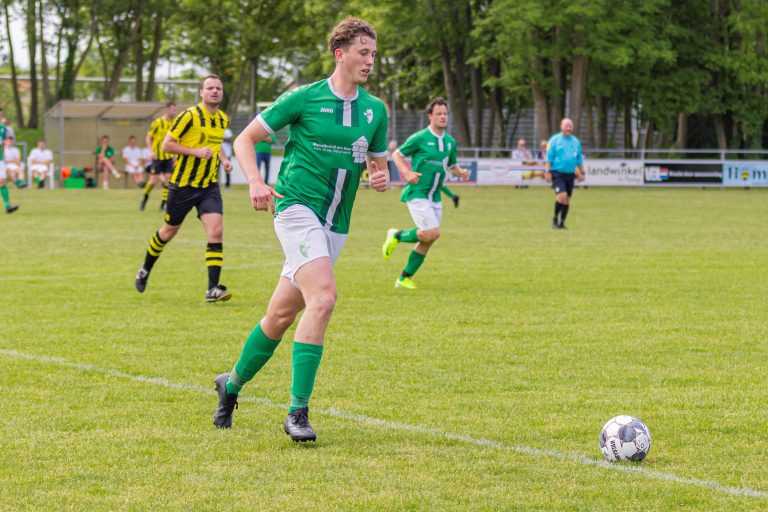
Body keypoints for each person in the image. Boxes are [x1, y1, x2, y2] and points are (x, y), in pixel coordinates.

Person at [212, 16, 389, 442]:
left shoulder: (375, 110)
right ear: (340, 54)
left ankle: (230, 384)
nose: (369, 61)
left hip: (336, 224)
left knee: (281, 314)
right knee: (324, 298)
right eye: (363, 53)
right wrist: (255, 181)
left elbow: (377, 166)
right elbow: (243, 139)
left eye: (373, 54)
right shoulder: (304, 98)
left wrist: (380, 178)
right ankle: (298, 412)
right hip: (294, 208)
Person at [134, 75, 233, 301]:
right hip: (183, 186)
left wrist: (224, 159)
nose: (215, 91)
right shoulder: (188, 116)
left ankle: (212, 289)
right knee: (169, 231)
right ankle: (145, 269)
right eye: (210, 88)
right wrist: (195, 152)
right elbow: (166, 144)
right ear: (201, 92)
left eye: (218, 88)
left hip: (209, 186)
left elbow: (216, 145)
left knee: (216, 231)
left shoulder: (222, 119)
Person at [381, 97, 469, 290]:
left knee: (429, 237)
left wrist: (460, 171)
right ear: (430, 116)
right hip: (417, 193)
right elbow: (396, 155)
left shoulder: (449, 142)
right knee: (431, 232)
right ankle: (397, 235)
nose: (443, 117)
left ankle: (404, 278)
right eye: (438, 114)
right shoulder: (420, 137)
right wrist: (406, 172)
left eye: (445, 113)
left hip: (435, 196)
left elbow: (451, 166)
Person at [545, 118, 585, 229]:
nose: (568, 128)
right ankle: (555, 218)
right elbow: (549, 158)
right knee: (562, 195)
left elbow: (579, 159)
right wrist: (547, 171)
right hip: (557, 173)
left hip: (570, 174)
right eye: (566, 126)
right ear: (561, 127)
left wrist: (582, 171)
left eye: (570, 126)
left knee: (567, 199)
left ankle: (562, 223)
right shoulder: (554, 140)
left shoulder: (576, 142)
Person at [142, 102, 177, 211]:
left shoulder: (173, 123)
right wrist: (151, 151)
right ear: (166, 110)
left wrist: (175, 154)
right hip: (157, 157)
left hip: (168, 157)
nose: (174, 112)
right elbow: (148, 138)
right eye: (173, 110)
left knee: (168, 180)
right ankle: (144, 199)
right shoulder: (157, 122)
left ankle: (163, 205)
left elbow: (175, 139)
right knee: (153, 182)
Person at [0, 119, 19, 213]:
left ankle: (8, 206)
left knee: (2, 181)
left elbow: (3, 144)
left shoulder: (3, 129)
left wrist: (2, 158)